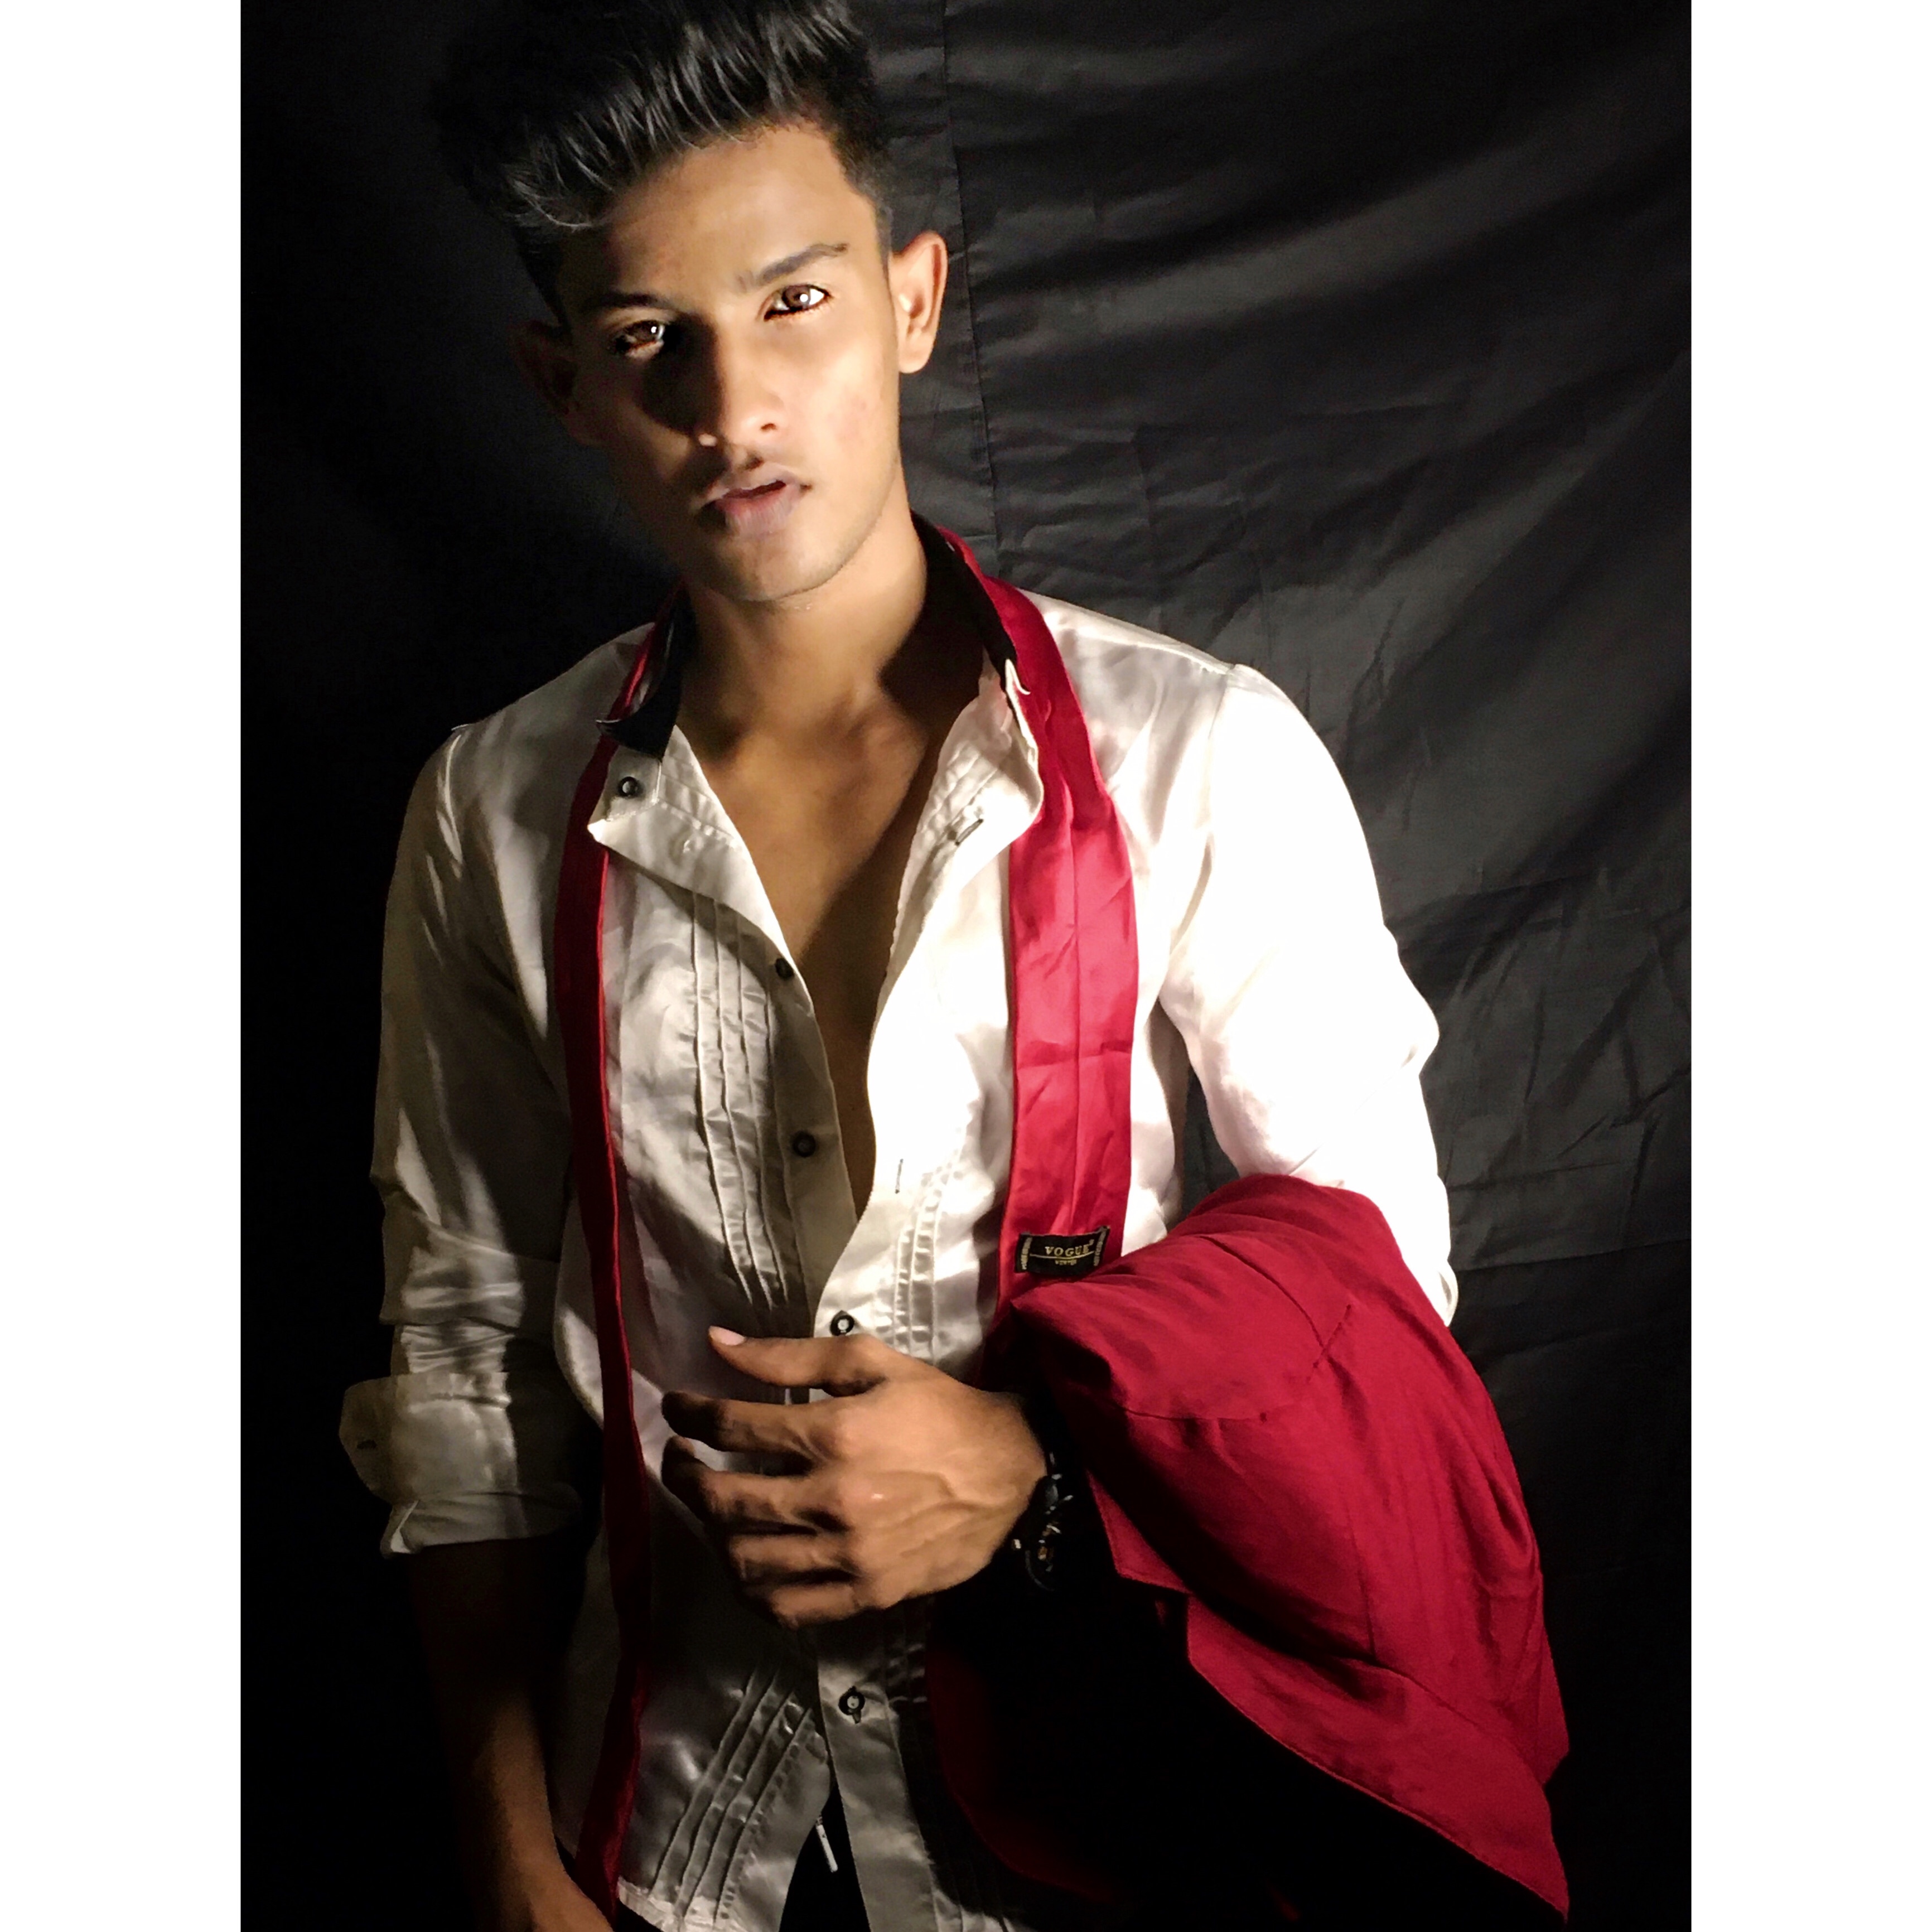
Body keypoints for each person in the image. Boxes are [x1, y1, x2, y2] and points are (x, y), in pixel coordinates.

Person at [339, 4, 1564, 1930]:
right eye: (651, 338)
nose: (734, 405)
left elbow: (1372, 1288)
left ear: (911, 301)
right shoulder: (489, 808)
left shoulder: (1193, 753)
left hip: (1102, 1819)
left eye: (796, 303)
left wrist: (1029, 1469)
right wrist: (511, 1857)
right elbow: (467, 1356)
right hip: (665, 1841)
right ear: (559, 381)